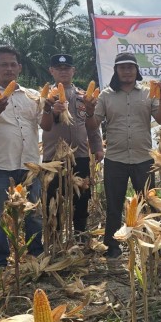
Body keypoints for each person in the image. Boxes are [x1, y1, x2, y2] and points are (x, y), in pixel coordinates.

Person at [0, 46, 47, 272]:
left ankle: (35, 257)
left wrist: (51, 108)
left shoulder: (32, 96)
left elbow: (46, 125)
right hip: (0, 168)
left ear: (20, 68)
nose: (9, 69)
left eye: (13, 64)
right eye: (3, 64)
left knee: (34, 216)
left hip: (30, 166)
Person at [93, 52, 161, 258]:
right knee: (114, 204)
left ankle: (152, 244)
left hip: (143, 158)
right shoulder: (105, 95)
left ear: (136, 70)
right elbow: (93, 123)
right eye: (122, 67)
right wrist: (89, 109)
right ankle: (113, 245)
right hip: (115, 158)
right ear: (116, 71)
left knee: (148, 203)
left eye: (131, 67)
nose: (127, 71)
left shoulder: (148, 93)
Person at [40, 53, 104, 240]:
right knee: (53, 200)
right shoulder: (45, 98)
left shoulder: (84, 97)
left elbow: (92, 128)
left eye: (67, 68)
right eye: (59, 69)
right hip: (53, 158)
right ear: (51, 71)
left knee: (82, 198)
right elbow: (44, 125)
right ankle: (54, 239)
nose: (63, 72)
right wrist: (50, 110)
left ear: (73, 71)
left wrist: (98, 146)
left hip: (81, 156)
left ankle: (81, 236)